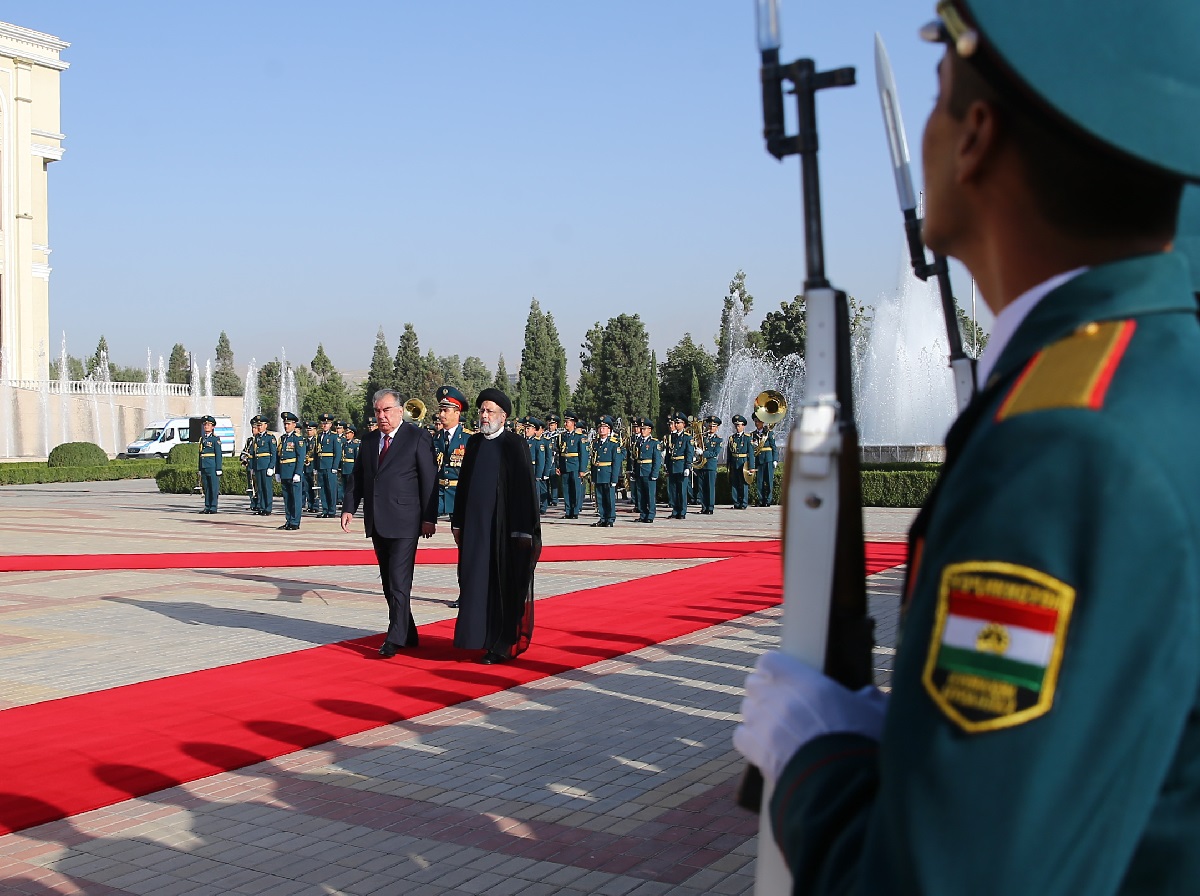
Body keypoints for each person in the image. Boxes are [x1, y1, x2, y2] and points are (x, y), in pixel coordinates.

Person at [734, 2, 1200, 892]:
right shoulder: (1152, 371)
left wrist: (811, 761)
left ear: (977, 136)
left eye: (941, 96)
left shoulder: (1064, 452)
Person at [341, 389, 438, 656]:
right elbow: (358, 477)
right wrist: (349, 507)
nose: (381, 416)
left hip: (407, 521)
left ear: (399, 410)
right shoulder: (370, 440)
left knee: (398, 580)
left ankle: (394, 638)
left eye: (386, 411)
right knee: (388, 582)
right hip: (377, 520)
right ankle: (408, 630)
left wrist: (429, 518)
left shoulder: (417, 437)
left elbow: (430, 481)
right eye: (377, 411)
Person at [450, 388, 540, 664]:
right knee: (475, 584)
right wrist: (457, 522)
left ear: (503, 416)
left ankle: (500, 644)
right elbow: (463, 485)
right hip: (476, 530)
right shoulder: (474, 444)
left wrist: (523, 530)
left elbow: (525, 491)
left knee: (502, 586)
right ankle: (477, 638)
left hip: (503, 531)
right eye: (482, 411)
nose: (484, 415)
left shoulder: (514, 445)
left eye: (490, 411)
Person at [432, 385, 469, 517]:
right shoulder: (435, 438)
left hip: (459, 495)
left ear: (457, 412)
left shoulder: (468, 439)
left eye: (446, 410)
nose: (441, 414)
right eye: (440, 410)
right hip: (438, 494)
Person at [275, 411, 306, 530]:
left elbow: (300, 457)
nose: (286, 426)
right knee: (287, 498)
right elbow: (279, 456)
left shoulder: (298, 439)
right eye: (285, 424)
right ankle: (288, 520)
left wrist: (298, 473)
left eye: (288, 424)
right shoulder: (283, 439)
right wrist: (277, 471)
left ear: (294, 425)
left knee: (296, 499)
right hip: (284, 472)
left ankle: (295, 522)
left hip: (293, 472)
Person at [589, 415, 622, 527]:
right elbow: (594, 460)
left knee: (609, 498)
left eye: (604, 427)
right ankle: (602, 518)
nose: (601, 429)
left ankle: (610, 518)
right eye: (600, 427)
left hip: (608, 474)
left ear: (609, 430)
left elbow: (616, 462)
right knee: (600, 498)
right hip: (598, 474)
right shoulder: (596, 443)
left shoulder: (613, 443)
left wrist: (614, 478)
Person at [558, 410, 588, 519]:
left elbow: (583, 454)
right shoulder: (562, 436)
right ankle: (568, 510)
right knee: (566, 489)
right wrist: (559, 466)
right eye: (565, 422)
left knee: (575, 489)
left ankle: (575, 511)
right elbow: (560, 452)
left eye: (568, 422)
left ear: (574, 423)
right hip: (565, 466)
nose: (565, 424)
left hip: (575, 466)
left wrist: (582, 469)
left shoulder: (579, 437)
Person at [632, 418, 662, 523]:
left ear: (650, 430)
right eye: (641, 428)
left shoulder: (654, 443)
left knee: (650, 495)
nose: (642, 431)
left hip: (648, 471)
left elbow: (657, 460)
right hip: (640, 471)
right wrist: (634, 471)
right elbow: (636, 458)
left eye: (645, 429)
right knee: (641, 495)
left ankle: (650, 515)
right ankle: (643, 513)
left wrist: (655, 473)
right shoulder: (638, 442)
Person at [665, 413, 693, 519]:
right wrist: (667, 466)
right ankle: (675, 510)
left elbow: (689, 453)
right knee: (673, 490)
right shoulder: (672, 437)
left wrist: (688, 466)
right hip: (672, 466)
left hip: (681, 466)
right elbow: (668, 453)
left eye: (678, 423)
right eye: (675, 422)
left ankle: (682, 511)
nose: (676, 424)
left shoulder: (687, 437)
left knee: (681, 491)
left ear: (684, 424)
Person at [726, 415, 754, 510]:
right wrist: (728, 465)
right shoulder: (732, 438)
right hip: (734, 462)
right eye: (736, 425)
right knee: (734, 483)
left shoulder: (747, 438)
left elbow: (751, 453)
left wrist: (751, 467)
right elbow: (729, 452)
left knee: (743, 483)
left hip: (743, 462)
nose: (737, 427)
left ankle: (744, 503)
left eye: (739, 425)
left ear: (743, 426)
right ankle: (736, 502)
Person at [315, 413, 340, 518]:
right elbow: (317, 452)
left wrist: (335, 467)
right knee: (323, 489)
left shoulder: (334, 436)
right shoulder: (319, 436)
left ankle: (331, 510)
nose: (325, 425)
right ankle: (325, 510)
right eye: (323, 423)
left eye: (327, 423)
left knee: (331, 488)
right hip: (321, 465)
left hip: (330, 466)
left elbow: (338, 453)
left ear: (330, 425)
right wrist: (316, 467)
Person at [197, 415, 223, 514]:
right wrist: (200, 468)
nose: (206, 426)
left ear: (212, 427)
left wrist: (218, 468)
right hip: (204, 466)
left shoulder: (215, 439)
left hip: (212, 466)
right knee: (206, 487)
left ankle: (213, 507)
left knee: (213, 487)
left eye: (208, 425)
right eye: (205, 424)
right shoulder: (202, 439)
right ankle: (207, 506)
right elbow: (201, 454)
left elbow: (218, 454)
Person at [750, 415, 777, 507]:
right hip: (759, 459)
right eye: (755, 421)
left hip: (768, 459)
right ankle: (761, 500)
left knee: (769, 481)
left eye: (759, 421)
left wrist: (775, 459)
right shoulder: (753, 434)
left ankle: (768, 500)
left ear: (762, 422)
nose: (757, 423)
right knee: (759, 481)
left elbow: (774, 447)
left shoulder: (769, 433)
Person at [252, 417, 277, 516]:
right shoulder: (257, 437)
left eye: (261, 425)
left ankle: (268, 508)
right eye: (258, 425)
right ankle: (261, 507)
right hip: (258, 466)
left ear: (266, 426)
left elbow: (273, 453)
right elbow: (255, 454)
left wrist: (271, 466)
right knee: (260, 488)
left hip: (266, 466)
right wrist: (254, 467)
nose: (259, 427)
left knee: (267, 488)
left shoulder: (270, 437)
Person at [696, 416, 721, 515]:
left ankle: (710, 507)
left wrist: (703, 453)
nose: (711, 427)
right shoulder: (703, 438)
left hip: (710, 466)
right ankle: (704, 506)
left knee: (710, 487)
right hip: (701, 466)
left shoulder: (719, 440)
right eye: (709, 425)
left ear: (717, 428)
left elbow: (715, 453)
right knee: (701, 487)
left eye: (713, 426)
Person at [544, 412, 562, 507]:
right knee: (545, 480)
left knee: (554, 480)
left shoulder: (559, 436)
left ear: (556, 425)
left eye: (552, 425)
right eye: (549, 424)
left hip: (555, 459)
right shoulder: (545, 435)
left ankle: (554, 499)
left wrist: (559, 465)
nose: (550, 426)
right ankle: (547, 498)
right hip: (547, 459)